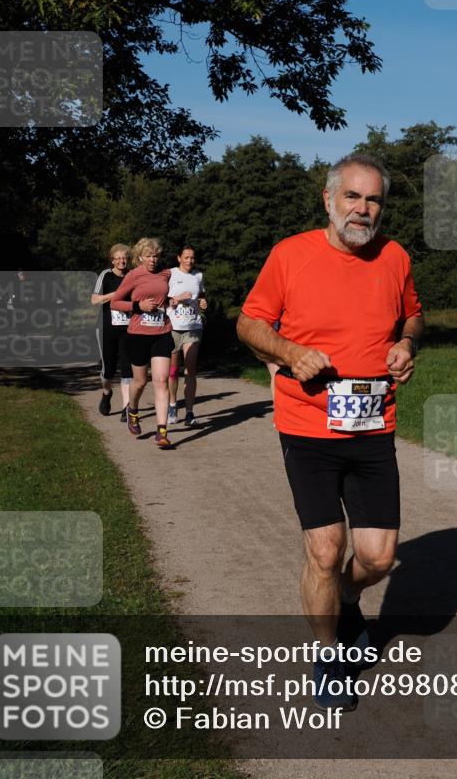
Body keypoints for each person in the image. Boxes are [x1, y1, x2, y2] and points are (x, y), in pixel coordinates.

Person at [237, 153, 424, 711]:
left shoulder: (394, 256)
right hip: (306, 424)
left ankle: (346, 597)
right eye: (353, 197)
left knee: (378, 558)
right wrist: (290, 352)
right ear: (328, 199)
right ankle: (329, 651)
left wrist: (407, 343)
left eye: (373, 200)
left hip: (373, 425)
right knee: (325, 549)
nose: (363, 210)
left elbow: (414, 314)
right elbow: (248, 323)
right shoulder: (291, 255)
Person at [111, 238, 174, 449]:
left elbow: (168, 294)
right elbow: (115, 302)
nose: (153, 260)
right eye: (148, 256)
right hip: (138, 334)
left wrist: (172, 300)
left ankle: (162, 431)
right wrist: (138, 305)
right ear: (140, 257)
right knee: (140, 382)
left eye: (156, 255)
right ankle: (133, 410)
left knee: (162, 380)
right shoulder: (133, 275)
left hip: (162, 332)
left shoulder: (166, 273)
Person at [167, 245, 207, 427]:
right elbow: (163, 298)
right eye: (186, 257)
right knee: (173, 371)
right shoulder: (170, 274)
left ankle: (190, 412)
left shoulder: (198, 276)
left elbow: (201, 297)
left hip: (193, 326)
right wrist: (176, 300)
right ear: (179, 258)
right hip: (174, 327)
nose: (190, 260)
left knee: (190, 370)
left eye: (192, 257)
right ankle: (172, 406)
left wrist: (203, 302)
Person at [92, 244, 132, 420]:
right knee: (108, 369)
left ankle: (127, 408)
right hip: (106, 327)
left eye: (125, 258)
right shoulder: (105, 275)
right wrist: (117, 294)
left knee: (127, 367)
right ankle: (107, 393)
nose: (122, 261)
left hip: (128, 328)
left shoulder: (132, 275)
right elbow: (94, 300)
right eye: (118, 258)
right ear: (113, 260)